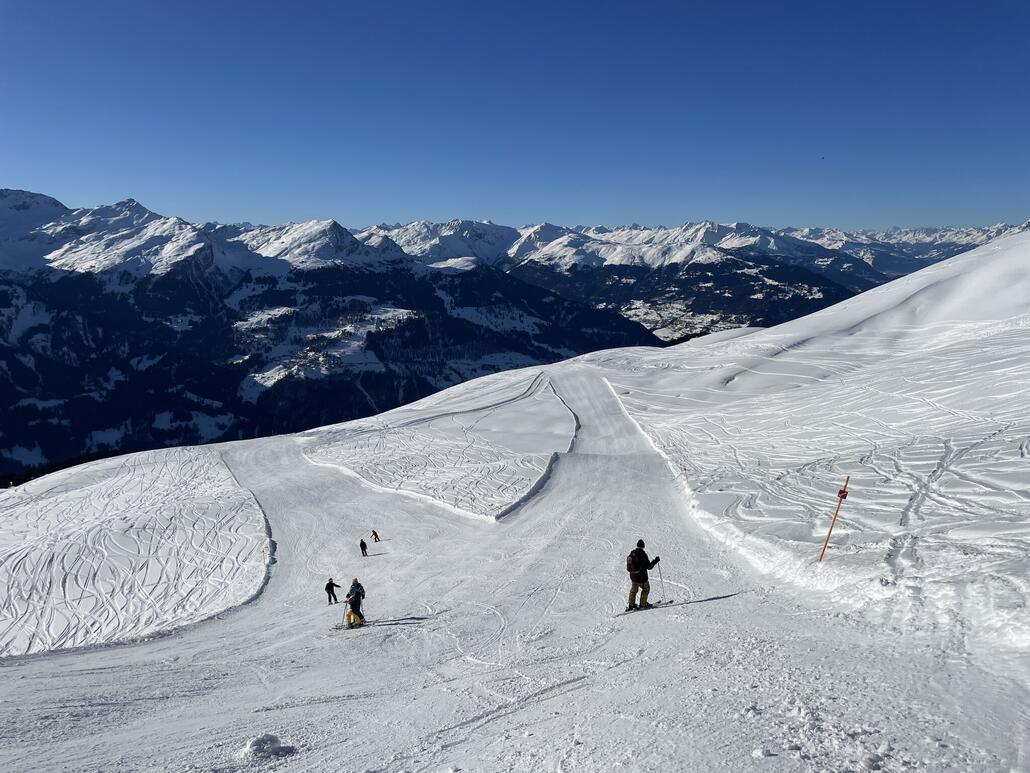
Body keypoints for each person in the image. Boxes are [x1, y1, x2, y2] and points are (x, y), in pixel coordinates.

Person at [626, 539, 660, 611]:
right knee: (646, 589)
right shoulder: (643, 555)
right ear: (643, 546)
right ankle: (643, 604)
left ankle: (631, 605)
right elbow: (649, 566)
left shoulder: (632, 553)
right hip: (642, 578)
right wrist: (656, 561)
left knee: (633, 590)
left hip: (633, 577)